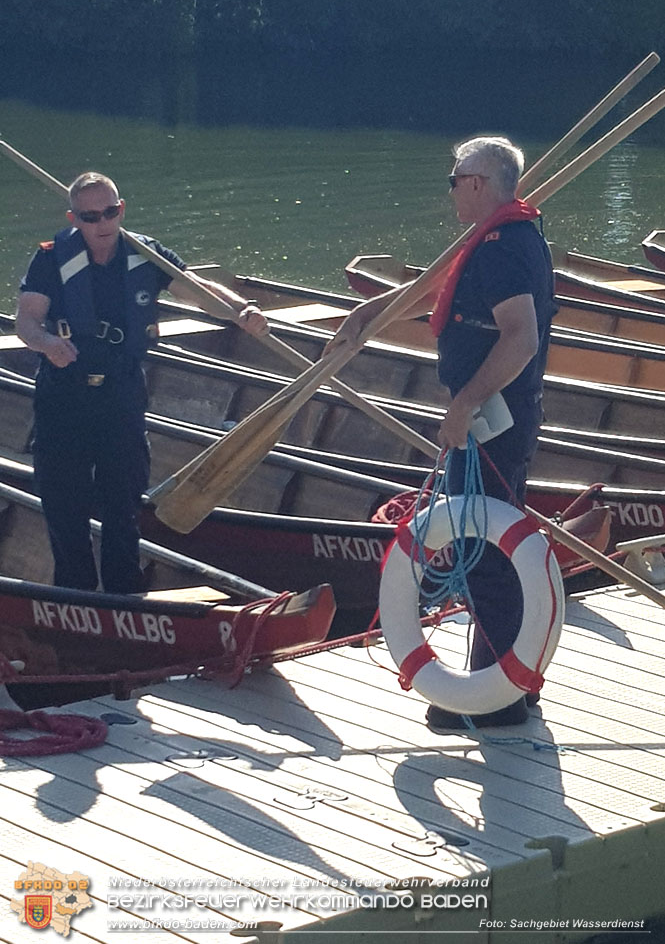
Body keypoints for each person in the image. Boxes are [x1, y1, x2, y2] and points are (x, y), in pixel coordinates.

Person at [326, 136, 555, 729]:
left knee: (485, 554)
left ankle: (499, 698)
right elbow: (438, 290)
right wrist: (368, 315)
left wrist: (467, 402)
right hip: (493, 417)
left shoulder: (502, 246)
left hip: (493, 422)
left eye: (454, 180)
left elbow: (520, 337)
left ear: (477, 182)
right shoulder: (495, 236)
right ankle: (510, 685)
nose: (450, 189)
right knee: (484, 547)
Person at [16, 171, 269, 595]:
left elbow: (198, 290)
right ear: (73, 217)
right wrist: (45, 344)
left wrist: (242, 310)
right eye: (90, 215)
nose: (101, 224)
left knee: (124, 502)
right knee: (64, 503)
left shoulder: (145, 254)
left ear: (122, 210)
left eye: (109, 212)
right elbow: (26, 320)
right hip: (64, 394)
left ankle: (124, 595)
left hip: (120, 392)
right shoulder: (51, 257)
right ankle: (75, 595)